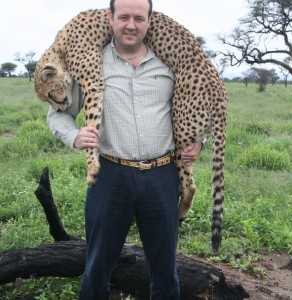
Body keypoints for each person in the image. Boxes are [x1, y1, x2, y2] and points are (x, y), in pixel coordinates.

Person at [47, 0, 204, 298]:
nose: (130, 25)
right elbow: (57, 113)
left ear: (149, 20)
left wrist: (199, 141)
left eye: (138, 17)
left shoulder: (170, 62)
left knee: (165, 271)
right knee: (96, 269)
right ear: (110, 18)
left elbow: (194, 109)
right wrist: (74, 136)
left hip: (162, 176)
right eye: (123, 17)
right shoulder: (90, 62)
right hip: (110, 176)